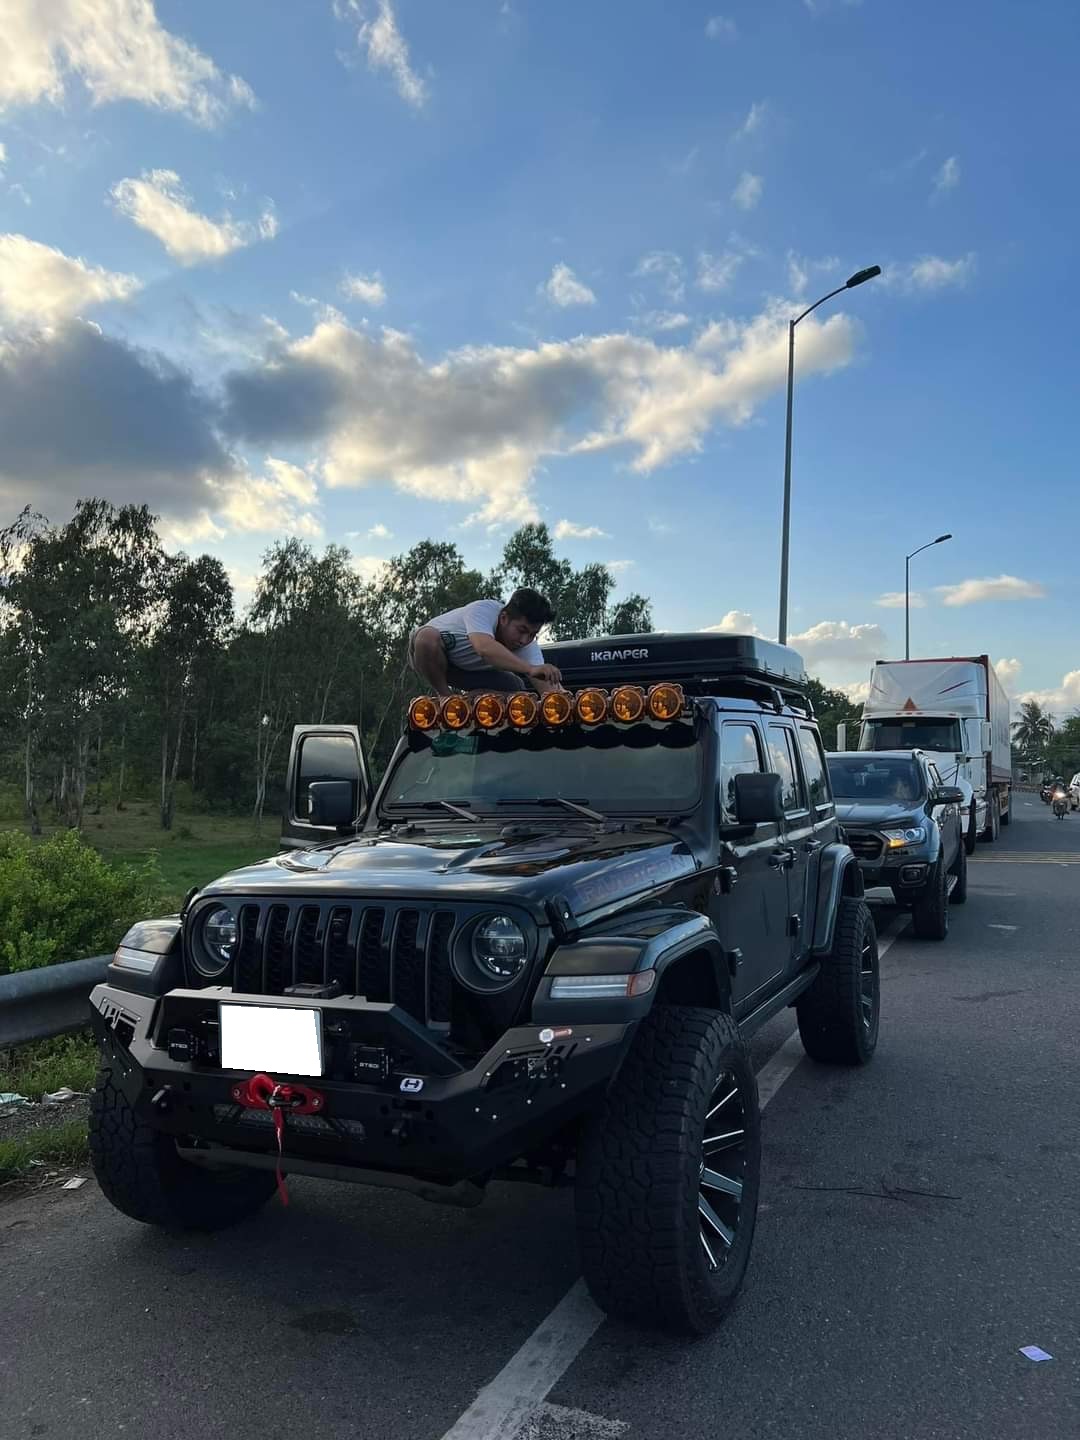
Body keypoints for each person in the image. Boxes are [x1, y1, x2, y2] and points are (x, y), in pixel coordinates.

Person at [409, 589, 563, 696]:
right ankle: (445, 697)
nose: (524, 640)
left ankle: (476, 698)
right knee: (426, 638)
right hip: (432, 659)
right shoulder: (483, 610)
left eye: (532, 634)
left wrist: (568, 702)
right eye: (521, 630)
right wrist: (530, 668)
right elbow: (484, 648)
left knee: (517, 690)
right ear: (504, 618)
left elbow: (550, 690)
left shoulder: (527, 645)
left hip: (470, 673)